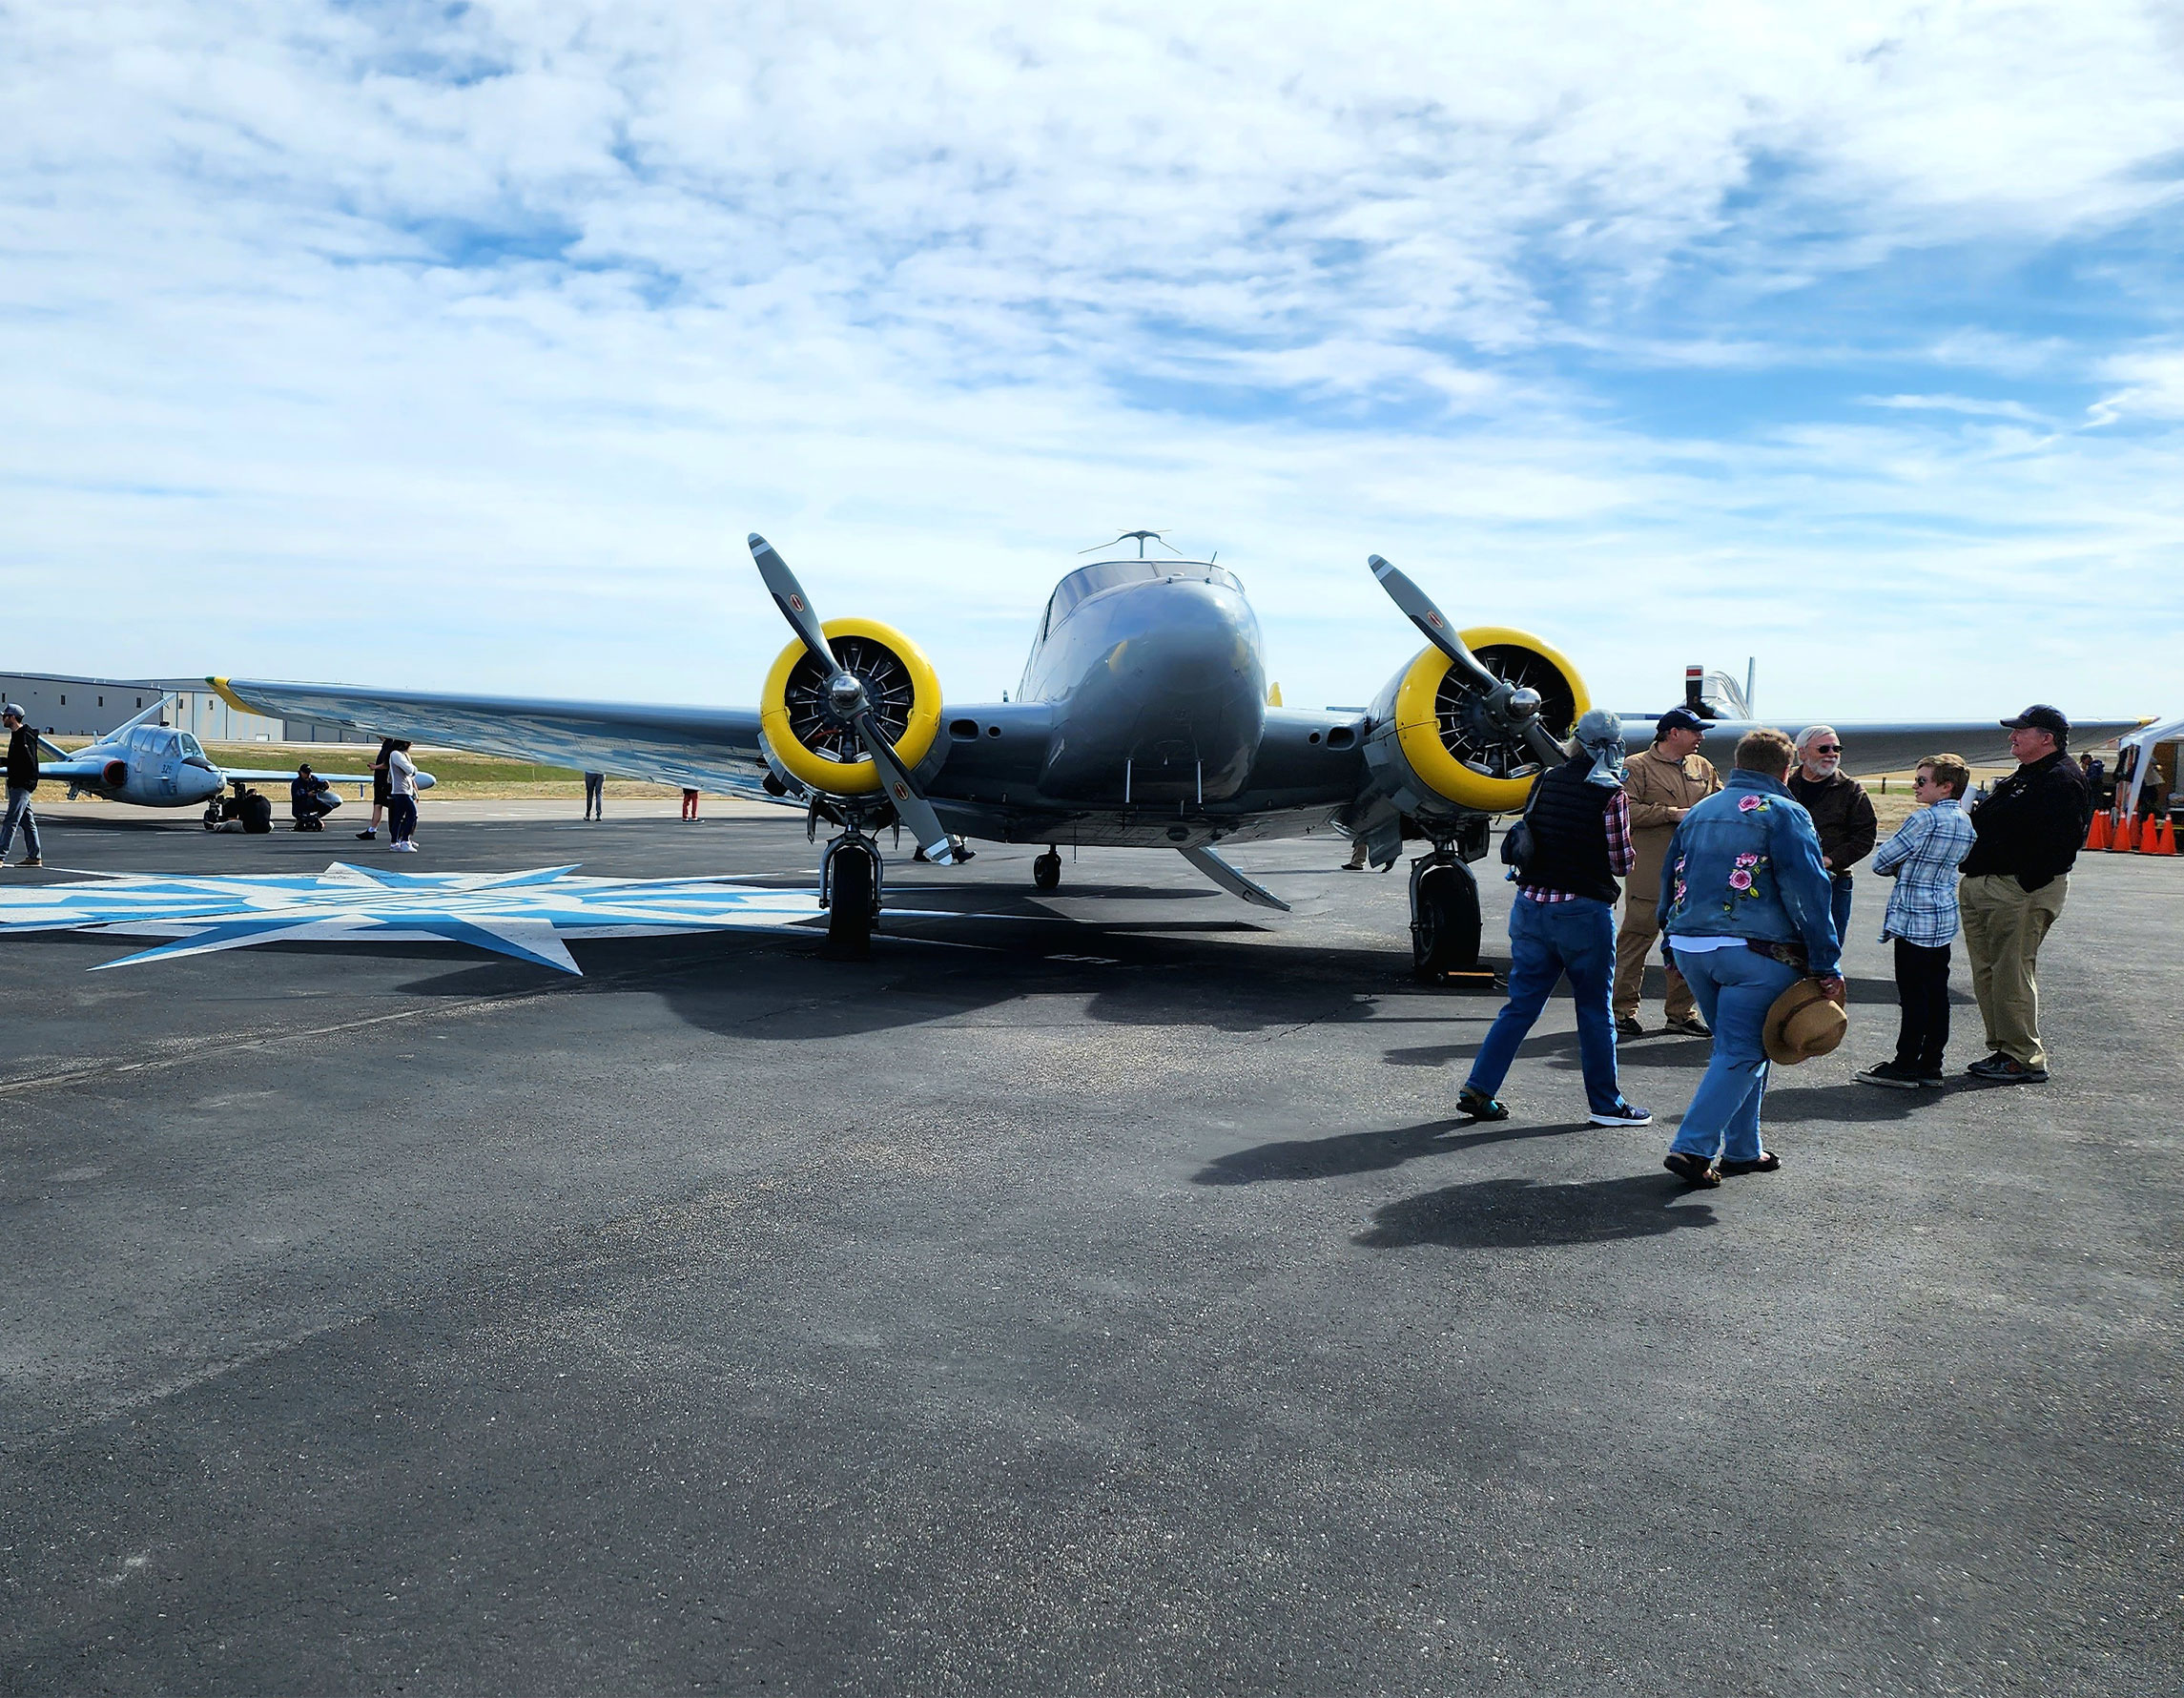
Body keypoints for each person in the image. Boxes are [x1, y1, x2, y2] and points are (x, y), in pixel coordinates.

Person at [1658, 728, 1843, 1186]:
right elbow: (1809, 891)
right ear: (1786, 769)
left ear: (1738, 762)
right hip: (1754, 951)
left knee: (1739, 1047)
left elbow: (1672, 878)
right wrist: (1826, 962)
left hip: (1690, 945)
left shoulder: (1700, 810)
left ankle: (1743, 1149)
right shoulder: (1784, 812)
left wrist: (1668, 945)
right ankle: (1693, 1148)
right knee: (1743, 1050)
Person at [1456, 709, 1653, 1129]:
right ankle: (1606, 1103)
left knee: (1520, 1006)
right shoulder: (1611, 794)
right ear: (1615, 746)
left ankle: (1479, 1087)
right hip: (1582, 912)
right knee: (1595, 1011)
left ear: (1574, 740)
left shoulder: (1546, 779)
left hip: (1530, 906)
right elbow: (1620, 863)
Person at [1957, 705, 2091, 1084]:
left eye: (2022, 731)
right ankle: (2004, 1048)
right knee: (1989, 971)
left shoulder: (2061, 779)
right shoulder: (2028, 775)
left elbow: (2062, 846)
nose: (2012, 737)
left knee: (2012, 970)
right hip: (1989, 885)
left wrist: (2021, 885)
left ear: (2046, 738)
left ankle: (2023, 1056)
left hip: (2017, 890)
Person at [1856, 754, 1978, 1088]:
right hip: (1941, 915)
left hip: (1913, 918)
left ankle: (1905, 1062)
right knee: (1937, 994)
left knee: (1912, 995)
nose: (1915, 785)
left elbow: (1882, 861)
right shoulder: (1964, 822)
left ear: (1945, 786)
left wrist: (1903, 867)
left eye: (1922, 781)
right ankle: (1931, 1064)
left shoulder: (1923, 821)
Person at [1615, 705, 1721, 1038]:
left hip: (1695, 871)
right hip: (1651, 868)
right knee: (1638, 936)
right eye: (1695, 731)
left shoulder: (1702, 766)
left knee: (1689, 941)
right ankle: (1620, 1011)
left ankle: (1681, 1012)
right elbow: (1624, 809)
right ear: (1672, 733)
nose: (1701, 738)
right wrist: (1670, 813)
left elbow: (1720, 799)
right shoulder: (1636, 767)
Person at [1787, 725, 1877, 950]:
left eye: (1836, 748)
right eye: (1824, 748)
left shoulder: (1851, 790)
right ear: (1802, 753)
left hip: (1833, 881)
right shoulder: (1784, 785)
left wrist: (1829, 860)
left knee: (1827, 946)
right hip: (1787, 878)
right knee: (1785, 945)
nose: (1832, 754)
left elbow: (1865, 837)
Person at [0, 703, 44, 869]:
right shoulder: (18, 736)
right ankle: (34, 856)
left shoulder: (23, 737)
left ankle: (0, 855)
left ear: (12, 717)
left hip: (22, 785)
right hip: (19, 784)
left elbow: (28, 762)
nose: (3, 719)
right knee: (27, 821)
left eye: (5, 716)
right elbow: (16, 761)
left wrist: (27, 783)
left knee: (11, 820)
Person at [358, 736, 395, 840]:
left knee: (391, 806)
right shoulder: (386, 745)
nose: (378, 736)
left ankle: (398, 833)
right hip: (379, 781)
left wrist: (375, 767)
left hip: (384, 782)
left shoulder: (390, 746)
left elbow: (388, 764)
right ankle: (372, 830)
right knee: (377, 804)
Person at [386, 740, 420, 853]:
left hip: (405, 790)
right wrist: (414, 768)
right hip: (402, 790)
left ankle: (395, 842)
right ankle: (405, 840)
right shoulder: (396, 754)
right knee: (412, 814)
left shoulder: (401, 755)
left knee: (399, 816)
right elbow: (410, 770)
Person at [289, 764, 338, 831]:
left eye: (309, 773)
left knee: (328, 807)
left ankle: (316, 817)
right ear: (301, 773)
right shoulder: (296, 783)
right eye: (306, 773)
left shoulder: (313, 779)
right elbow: (297, 797)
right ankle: (303, 819)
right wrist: (307, 795)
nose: (308, 775)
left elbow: (320, 782)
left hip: (312, 803)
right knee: (303, 816)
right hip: (300, 806)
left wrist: (325, 783)